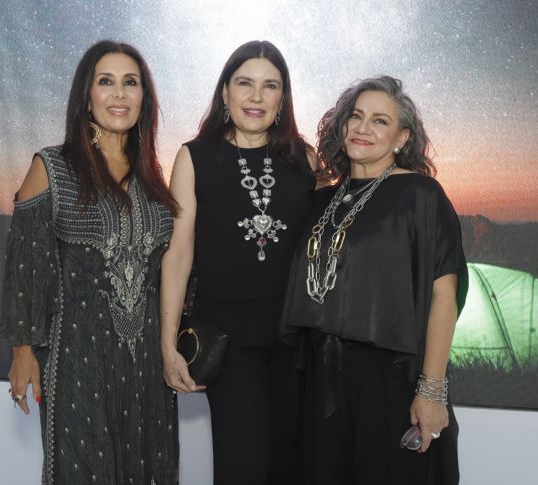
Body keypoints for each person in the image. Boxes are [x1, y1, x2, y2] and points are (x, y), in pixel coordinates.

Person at [0, 40, 179, 485]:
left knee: (149, 468)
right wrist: (23, 351)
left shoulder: (154, 179)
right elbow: (26, 266)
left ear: (144, 98)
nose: (119, 94)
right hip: (77, 359)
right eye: (106, 82)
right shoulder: (53, 167)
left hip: (145, 369)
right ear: (87, 96)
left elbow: (169, 274)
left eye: (130, 83)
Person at [279, 75, 469, 485]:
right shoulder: (320, 199)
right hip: (320, 377)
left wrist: (432, 390)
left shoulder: (420, 195)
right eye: (356, 116)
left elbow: (444, 296)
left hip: (389, 383)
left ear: (402, 137)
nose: (363, 128)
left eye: (380, 121)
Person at [160, 40, 318, 485]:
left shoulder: (305, 159)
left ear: (282, 99)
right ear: (225, 92)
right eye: (245, 83)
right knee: (242, 466)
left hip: (295, 342)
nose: (256, 96)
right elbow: (178, 255)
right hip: (229, 342)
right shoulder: (194, 157)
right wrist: (167, 344)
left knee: (290, 467)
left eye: (270, 86)